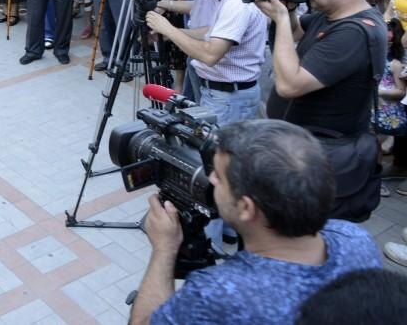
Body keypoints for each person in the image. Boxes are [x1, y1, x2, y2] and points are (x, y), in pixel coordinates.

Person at [131, 119, 382, 325]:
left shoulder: (218, 295)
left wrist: (164, 248)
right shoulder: (355, 239)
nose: (211, 181)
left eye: (218, 176)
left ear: (246, 207)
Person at [258, 0, 386, 221]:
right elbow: (293, 33)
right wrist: (287, 11)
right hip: (302, 147)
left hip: (321, 158)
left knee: (304, 231)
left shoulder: (353, 32)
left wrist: (280, 19)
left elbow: (289, 85)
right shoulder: (330, 14)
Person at [147, 0, 267, 123]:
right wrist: (171, 33)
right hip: (220, 95)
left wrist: (169, 29)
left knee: (218, 152)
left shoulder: (237, 1)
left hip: (228, 100)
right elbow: (212, 33)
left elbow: (210, 54)